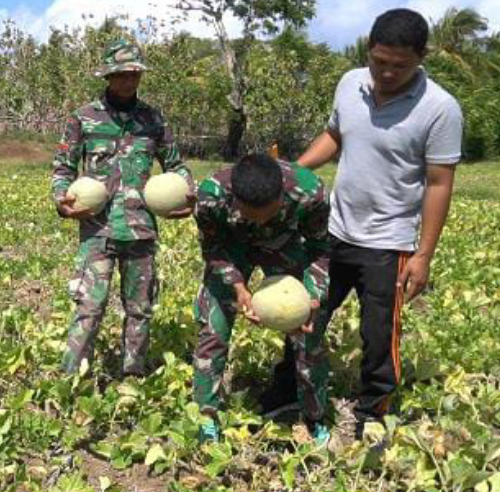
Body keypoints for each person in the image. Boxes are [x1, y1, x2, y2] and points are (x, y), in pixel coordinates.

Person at [285, 8, 463, 439]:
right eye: (379, 61)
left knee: (379, 334)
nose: (386, 73)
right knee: (305, 314)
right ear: (369, 49)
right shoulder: (350, 82)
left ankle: (373, 410)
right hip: (334, 229)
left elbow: (439, 183)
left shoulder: (440, 108)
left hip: (389, 241)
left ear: (422, 57)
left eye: (399, 66)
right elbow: (334, 136)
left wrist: (423, 254)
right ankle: (289, 388)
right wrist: (290, 172)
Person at [52, 40, 194, 378]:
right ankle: (70, 381)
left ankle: (133, 378)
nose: (128, 81)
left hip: (140, 228)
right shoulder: (84, 118)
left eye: (134, 74)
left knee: (140, 309)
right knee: (89, 307)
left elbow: (177, 166)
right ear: (108, 76)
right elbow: (63, 168)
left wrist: (188, 194)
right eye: (121, 75)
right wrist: (62, 202)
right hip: (97, 229)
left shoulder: (153, 119)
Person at [192, 154, 331, 445]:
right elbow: (213, 247)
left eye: (270, 213)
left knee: (308, 332)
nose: (263, 221)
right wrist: (238, 287)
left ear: (283, 194)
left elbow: (320, 249)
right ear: (235, 200)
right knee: (213, 329)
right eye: (253, 216)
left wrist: (314, 296)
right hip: (232, 249)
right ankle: (206, 416)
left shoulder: (310, 193)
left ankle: (314, 416)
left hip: (283, 246)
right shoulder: (209, 197)